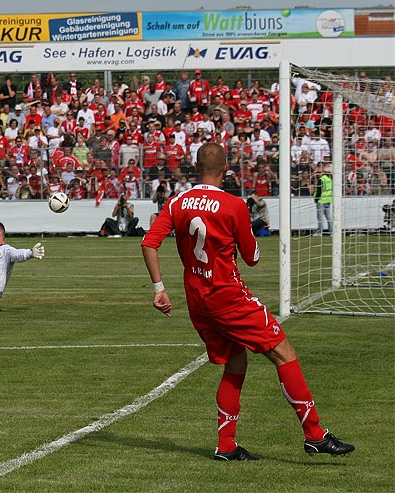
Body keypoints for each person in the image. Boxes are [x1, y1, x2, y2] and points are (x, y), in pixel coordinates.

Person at [141, 142, 354, 461]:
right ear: (225, 169)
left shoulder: (176, 203)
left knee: (236, 362)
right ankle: (315, 435)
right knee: (284, 352)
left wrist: (159, 288)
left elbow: (149, 243)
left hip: (198, 303)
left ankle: (226, 446)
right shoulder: (233, 205)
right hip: (229, 298)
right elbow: (252, 257)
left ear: (195, 167)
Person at [313, 162, 333, 235]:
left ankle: (319, 231)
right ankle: (331, 231)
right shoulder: (329, 179)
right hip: (328, 200)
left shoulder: (321, 180)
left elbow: (319, 190)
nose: (317, 174)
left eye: (319, 172)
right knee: (328, 217)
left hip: (321, 200)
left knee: (320, 217)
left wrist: (316, 199)